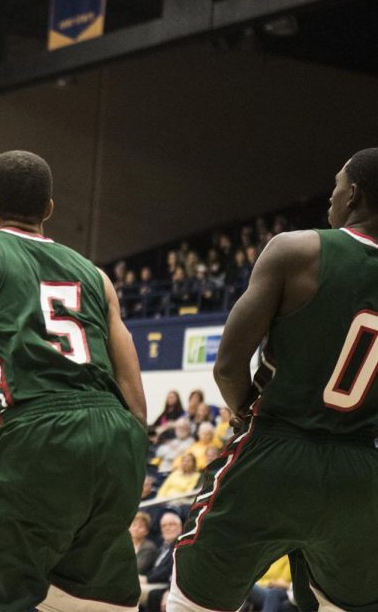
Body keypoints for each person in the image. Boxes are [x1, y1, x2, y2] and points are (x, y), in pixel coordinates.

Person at [0, 150, 148, 611]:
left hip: (38, 433)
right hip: (118, 441)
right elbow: (136, 398)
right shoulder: (96, 275)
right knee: (89, 601)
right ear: (49, 210)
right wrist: (123, 461)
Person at [168, 149, 378, 611]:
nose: (331, 196)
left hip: (275, 448)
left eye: (337, 185)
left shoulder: (296, 249)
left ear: (355, 194)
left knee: (192, 601)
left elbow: (227, 365)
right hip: (360, 469)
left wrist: (250, 415)